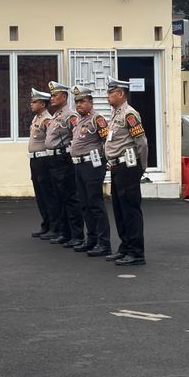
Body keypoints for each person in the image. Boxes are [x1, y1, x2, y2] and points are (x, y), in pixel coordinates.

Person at [104, 78, 149, 267]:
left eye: (110, 93)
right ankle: (125, 246)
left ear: (121, 94)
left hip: (128, 167)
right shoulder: (115, 114)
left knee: (130, 209)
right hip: (117, 167)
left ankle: (136, 252)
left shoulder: (130, 114)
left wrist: (141, 167)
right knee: (119, 209)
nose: (107, 96)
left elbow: (142, 143)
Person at [67, 87, 111, 257]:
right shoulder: (79, 120)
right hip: (79, 166)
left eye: (82, 101)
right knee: (84, 204)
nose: (79, 104)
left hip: (92, 165)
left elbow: (107, 141)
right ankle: (91, 239)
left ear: (91, 102)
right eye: (76, 101)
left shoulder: (97, 119)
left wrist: (106, 161)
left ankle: (103, 243)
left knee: (95, 204)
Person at [42, 81, 84, 246]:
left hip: (63, 159)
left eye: (55, 95)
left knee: (70, 198)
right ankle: (64, 232)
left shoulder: (70, 115)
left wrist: (70, 153)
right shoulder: (55, 115)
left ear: (64, 97)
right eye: (51, 95)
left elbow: (77, 136)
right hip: (53, 160)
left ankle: (77, 235)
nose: (51, 98)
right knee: (59, 197)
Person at [27, 88, 58, 239]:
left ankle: (54, 227)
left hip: (43, 160)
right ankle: (45, 224)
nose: (31, 104)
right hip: (34, 159)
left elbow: (51, 140)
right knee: (40, 194)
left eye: (34, 102)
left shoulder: (47, 120)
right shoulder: (36, 118)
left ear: (43, 104)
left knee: (48, 194)